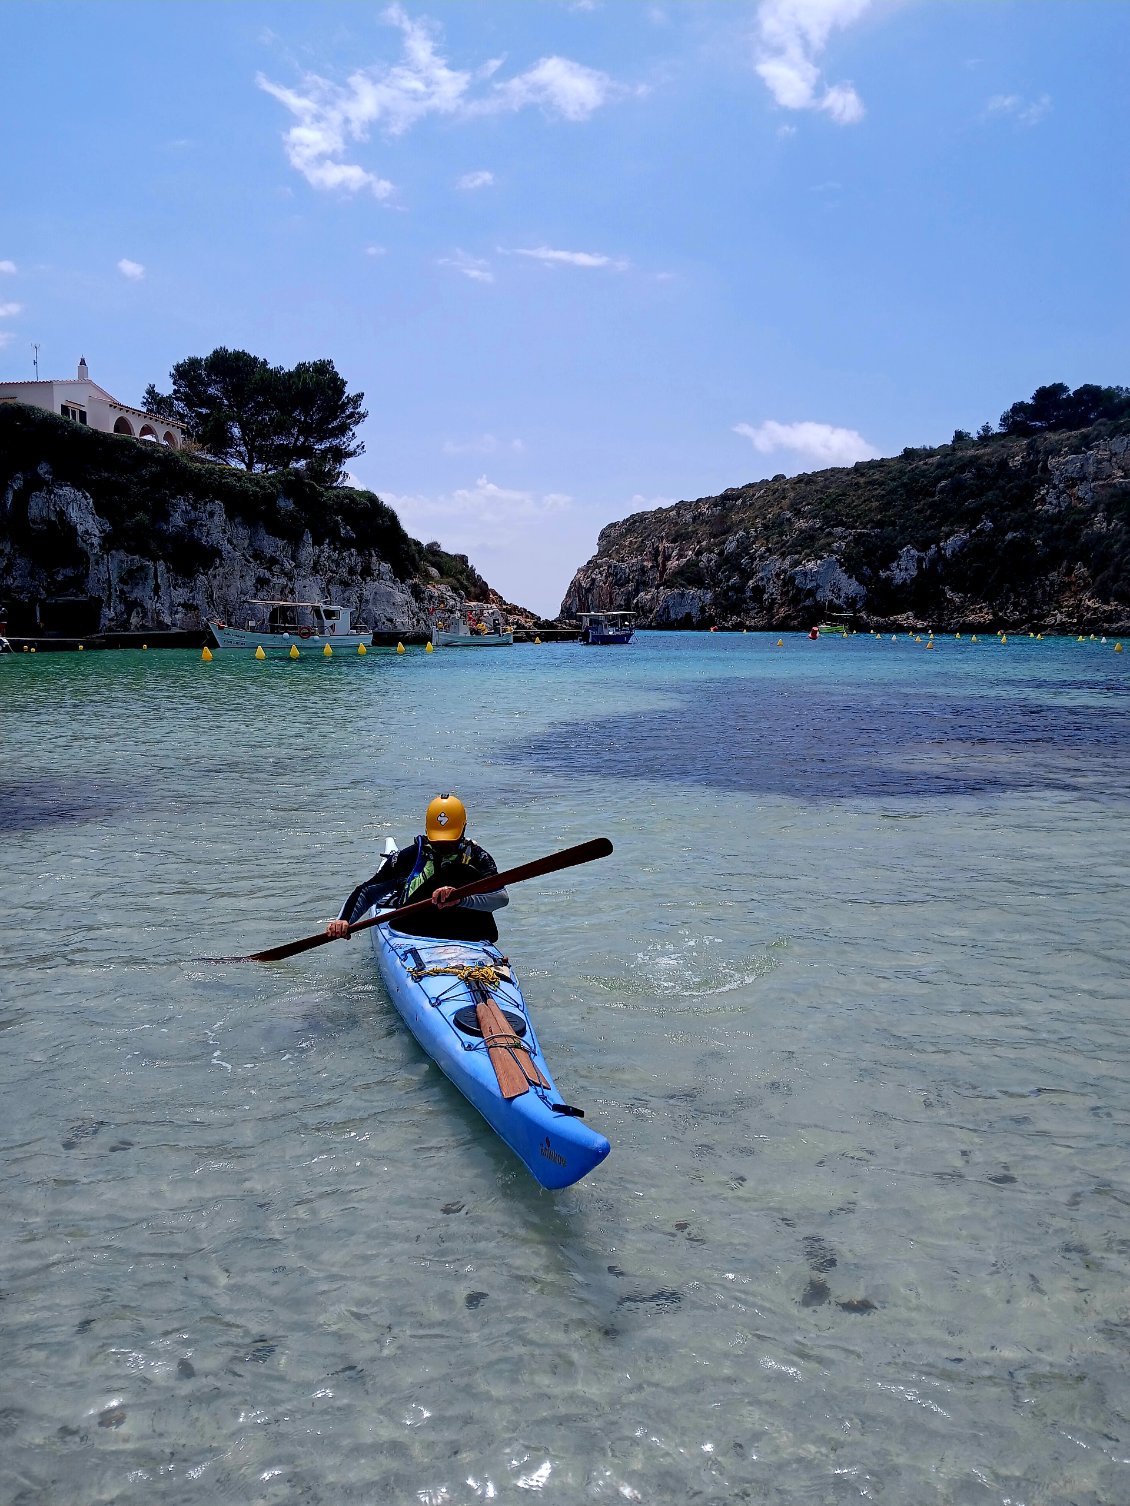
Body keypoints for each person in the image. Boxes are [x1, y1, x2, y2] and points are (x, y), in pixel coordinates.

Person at [325, 793, 508, 944]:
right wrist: (344, 920)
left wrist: (460, 899)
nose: (443, 847)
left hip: (467, 934)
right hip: (412, 929)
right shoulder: (409, 857)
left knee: (461, 872)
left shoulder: (478, 858)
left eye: (449, 842)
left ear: (463, 830)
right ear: (428, 831)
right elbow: (367, 892)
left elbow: (501, 898)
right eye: (438, 842)